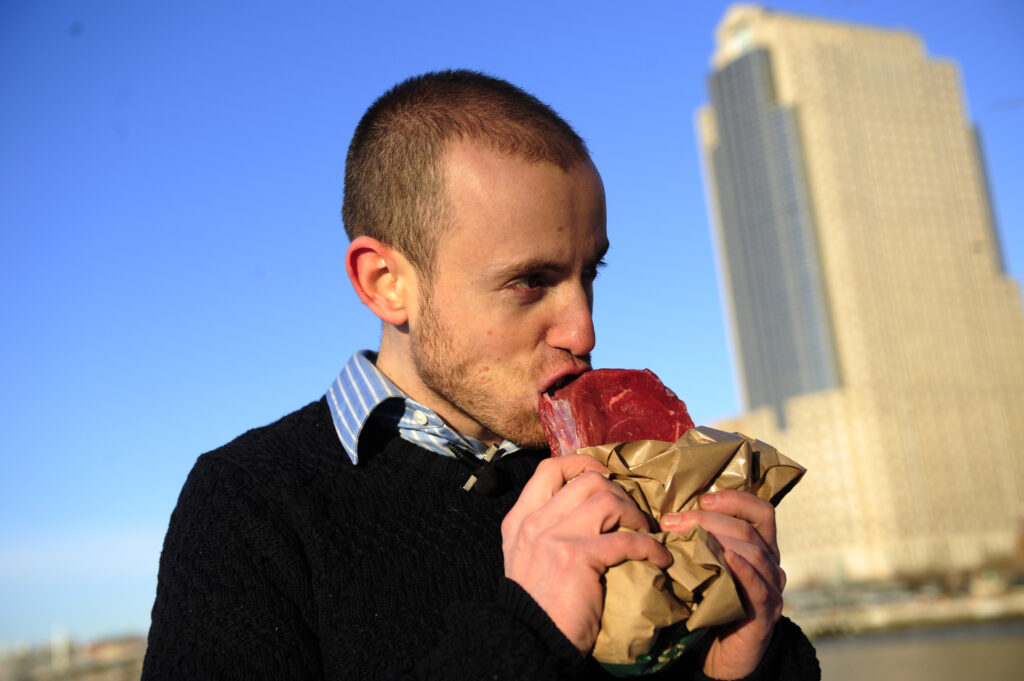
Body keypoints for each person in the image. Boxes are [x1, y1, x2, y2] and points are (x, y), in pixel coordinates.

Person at [141, 70, 819, 680]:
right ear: (386, 283)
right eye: (530, 281)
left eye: (591, 273)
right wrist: (527, 630)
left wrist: (742, 667)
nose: (584, 331)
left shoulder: (614, 474)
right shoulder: (251, 504)